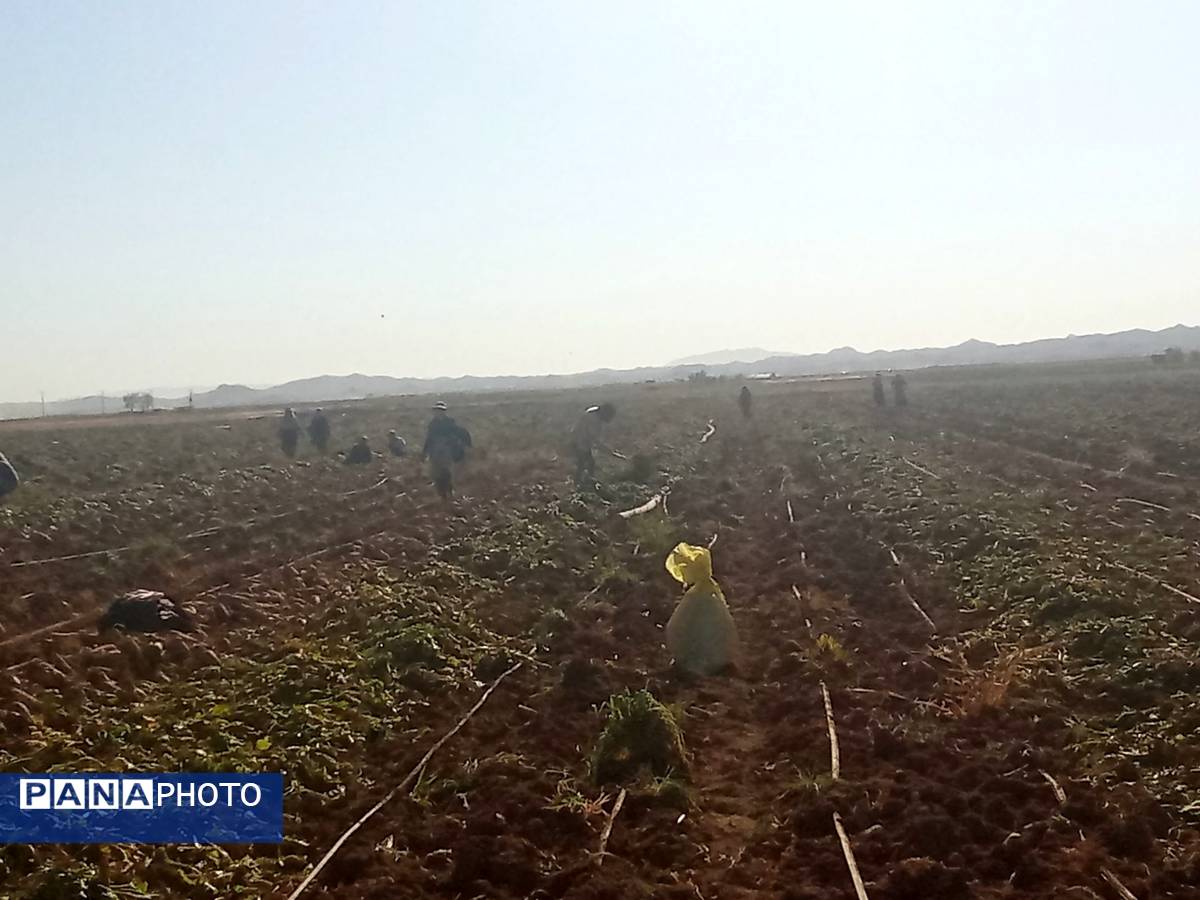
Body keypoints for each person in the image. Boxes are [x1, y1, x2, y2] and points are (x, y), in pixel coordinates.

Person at [422, 401, 472, 499]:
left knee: (446, 472)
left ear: (444, 412)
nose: (438, 412)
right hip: (435, 451)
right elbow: (429, 439)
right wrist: (424, 452)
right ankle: (442, 493)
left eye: (440, 410)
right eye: (436, 410)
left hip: (446, 450)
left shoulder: (450, 423)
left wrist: (466, 445)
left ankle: (449, 491)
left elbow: (462, 433)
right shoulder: (433, 424)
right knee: (436, 473)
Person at [570, 403, 616, 488]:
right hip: (579, 441)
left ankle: (584, 483)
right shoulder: (593, 420)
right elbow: (593, 438)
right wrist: (608, 450)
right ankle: (581, 485)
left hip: (581, 440)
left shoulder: (594, 413)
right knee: (585, 463)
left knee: (587, 463)